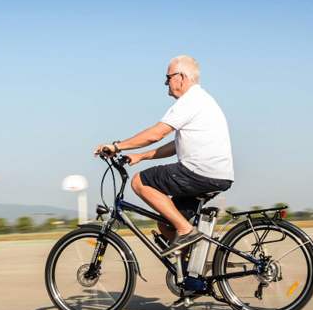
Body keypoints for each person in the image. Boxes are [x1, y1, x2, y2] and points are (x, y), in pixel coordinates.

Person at [95, 55, 234, 257]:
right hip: (215, 174)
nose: (166, 83)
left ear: (182, 77)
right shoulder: (202, 100)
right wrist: (141, 156)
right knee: (166, 222)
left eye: (168, 77)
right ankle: (192, 274)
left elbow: (156, 134)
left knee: (139, 182)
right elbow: (175, 146)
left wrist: (117, 147)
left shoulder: (190, 101)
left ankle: (186, 232)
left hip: (200, 171)